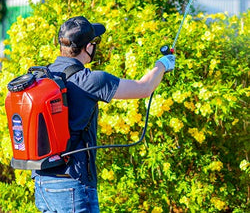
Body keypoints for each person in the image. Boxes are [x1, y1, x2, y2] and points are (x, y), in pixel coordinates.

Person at [33, 16, 175, 212]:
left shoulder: (42, 76)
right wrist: (163, 64)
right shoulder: (90, 80)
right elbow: (144, 88)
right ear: (88, 47)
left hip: (42, 182)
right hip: (74, 184)